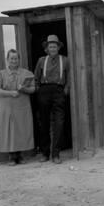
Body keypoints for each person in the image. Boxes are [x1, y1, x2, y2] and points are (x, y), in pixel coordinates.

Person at [0, 49, 36, 166]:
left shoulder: (27, 73)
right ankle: (12, 156)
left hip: (22, 106)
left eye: (16, 58)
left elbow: (33, 89)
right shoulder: (1, 74)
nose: (14, 60)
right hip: (7, 107)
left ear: (19, 60)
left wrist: (23, 89)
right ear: (7, 60)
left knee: (21, 129)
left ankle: (20, 155)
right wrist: (10, 93)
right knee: (9, 130)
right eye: (11, 58)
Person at [34, 34, 70, 164]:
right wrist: (38, 89)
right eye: (51, 46)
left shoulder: (65, 60)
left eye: (55, 46)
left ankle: (56, 154)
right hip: (44, 91)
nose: (53, 48)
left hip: (59, 91)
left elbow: (70, 76)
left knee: (59, 123)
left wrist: (66, 88)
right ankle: (45, 153)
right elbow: (36, 77)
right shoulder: (41, 60)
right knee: (44, 123)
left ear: (58, 48)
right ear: (47, 48)